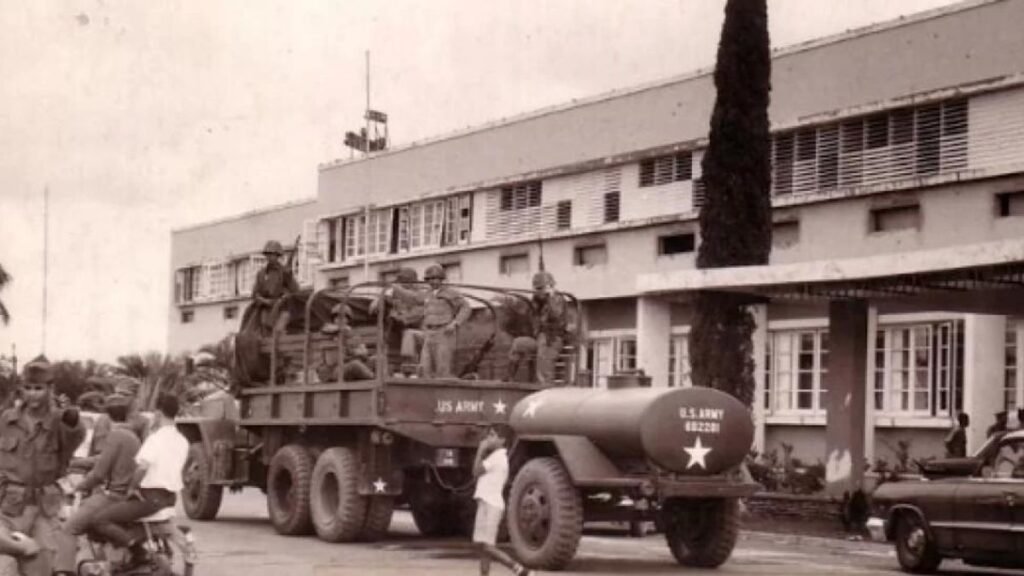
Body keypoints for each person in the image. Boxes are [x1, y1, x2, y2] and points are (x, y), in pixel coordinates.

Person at [0, 355, 85, 576]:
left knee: (42, 565)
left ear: (50, 389)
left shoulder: (60, 421)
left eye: (38, 388)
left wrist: (71, 419)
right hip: (10, 505)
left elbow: (74, 438)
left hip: (44, 508)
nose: (32, 394)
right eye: (27, 388)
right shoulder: (7, 419)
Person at [87, 394, 189, 569]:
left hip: (150, 497)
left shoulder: (155, 439)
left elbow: (142, 468)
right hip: (170, 498)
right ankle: (131, 553)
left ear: (158, 413)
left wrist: (132, 488)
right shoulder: (183, 441)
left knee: (99, 520)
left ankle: (137, 551)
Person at [58, 394, 142, 571]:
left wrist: (76, 488)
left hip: (112, 496)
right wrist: (75, 463)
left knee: (69, 529)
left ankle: (63, 571)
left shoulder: (116, 435)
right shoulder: (132, 436)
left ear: (107, 417)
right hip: (126, 496)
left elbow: (99, 474)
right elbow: (103, 459)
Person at [472, 424, 529, 576]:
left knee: (488, 546)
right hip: (484, 501)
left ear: (502, 440)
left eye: (492, 435)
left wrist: (480, 450)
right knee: (481, 545)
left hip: (492, 504)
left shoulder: (498, 457)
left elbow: (476, 471)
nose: (488, 439)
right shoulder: (494, 457)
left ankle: (518, 569)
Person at [394, 264, 471, 378]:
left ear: (441, 279)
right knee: (425, 366)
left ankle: (443, 387)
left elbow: (465, 307)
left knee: (442, 366)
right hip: (429, 333)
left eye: (436, 278)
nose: (433, 281)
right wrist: (396, 288)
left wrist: (455, 323)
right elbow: (412, 297)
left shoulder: (451, 293)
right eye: (430, 279)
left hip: (444, 332)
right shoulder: (427, 294)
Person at [373, 267, 426, 376]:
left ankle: (409, 369)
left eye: (405, 281)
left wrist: (399, 316)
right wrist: (382, 300)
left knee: (408, 334)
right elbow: (373, 309)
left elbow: (413, 317)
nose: (402, 284)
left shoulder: (421, 296)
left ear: (413, 282)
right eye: (401, 281)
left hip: (420, 335)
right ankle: (390, 371)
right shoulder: (395, 296)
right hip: (396, 336)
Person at [251, 240, 299, 335]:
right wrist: (265, 301)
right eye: (268, 254)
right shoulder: (261, 273)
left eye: (272, 254)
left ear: (278, 256)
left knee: (279, 329)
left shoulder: (284, 272)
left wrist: (289, 278)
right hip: (264, 309)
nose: (269, 257)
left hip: (281, 308)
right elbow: (255, 294)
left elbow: (295, 290)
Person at [530, 271, 569, 386]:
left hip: (553, 338)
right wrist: (536, 301)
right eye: (536, 288)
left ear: (550, 287)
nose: (538, 291)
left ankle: (545, 386)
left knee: (545, 359)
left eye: (540, 288)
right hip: (540, 337)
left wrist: (550, 298)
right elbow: (532, 317)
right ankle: (510, 378)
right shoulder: (538, 301)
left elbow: (555, 315)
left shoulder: (557, 299)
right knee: (518, 344)